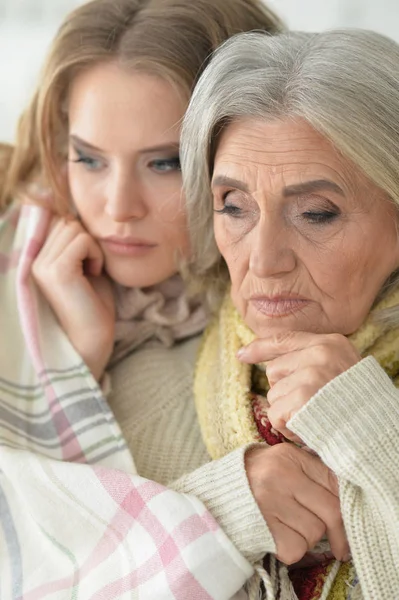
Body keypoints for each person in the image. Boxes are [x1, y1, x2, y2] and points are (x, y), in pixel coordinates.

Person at [0, 1, 284, 598]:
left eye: (164, 162)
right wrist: (76, 360)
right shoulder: (18, 246)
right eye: (89, 159)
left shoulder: (286, 324)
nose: (117, 206)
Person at [181, 28, 399, 600]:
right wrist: (218, 511)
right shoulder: (153, 364)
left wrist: (371, 425)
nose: (265, 259)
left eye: (316, 213)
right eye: (234, 207)